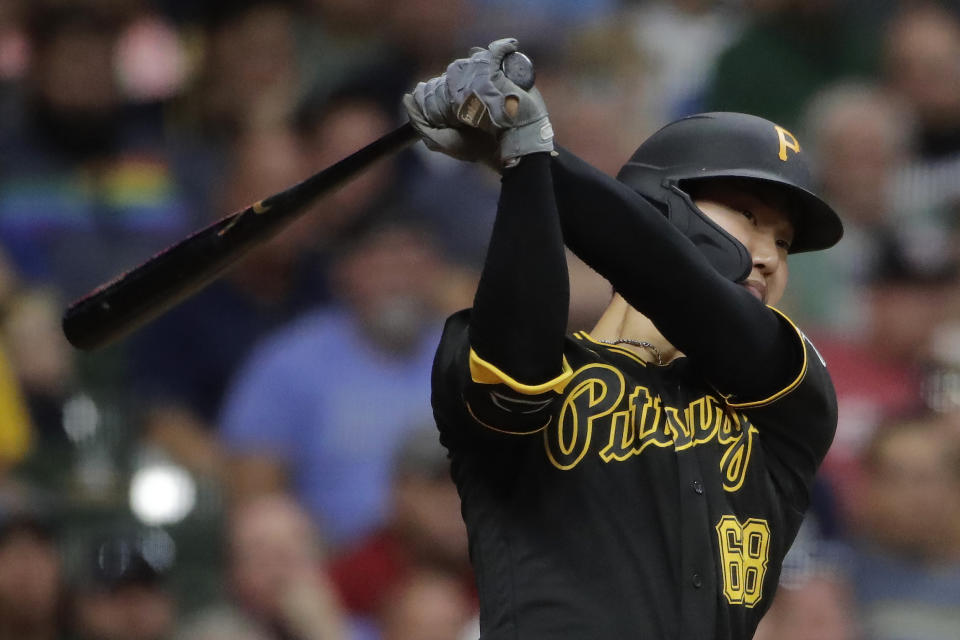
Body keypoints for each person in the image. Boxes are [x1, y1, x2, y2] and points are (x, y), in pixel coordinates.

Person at [403, 39, 843, 638]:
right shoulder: (513, 352)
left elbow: (683, 289)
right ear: (663, 208)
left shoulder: (792, 404)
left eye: (785, 243)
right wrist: (523, 159)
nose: (767, 257)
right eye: (746, 216)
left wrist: (530, 150)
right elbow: (521, 350)